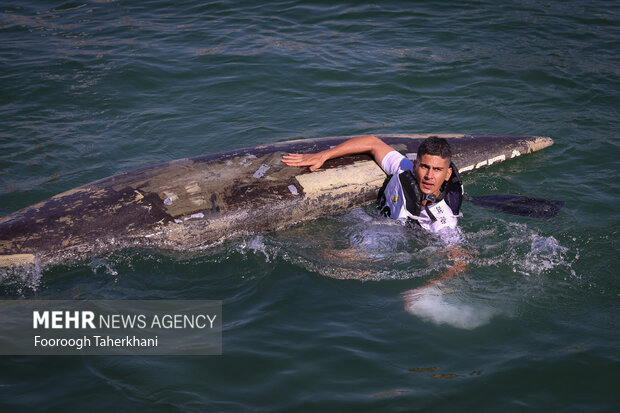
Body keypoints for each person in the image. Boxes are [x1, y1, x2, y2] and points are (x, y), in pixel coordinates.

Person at [282, 134, 463, 232]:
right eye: (425, 167)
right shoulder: (404, 168)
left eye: (437, 170)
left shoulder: (442, 222)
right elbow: (372, 142)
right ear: (415, 165)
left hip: (388, 241)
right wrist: (323, 155)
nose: (429, 176)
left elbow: (456, 259)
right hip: (367, 220)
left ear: (447, 174)